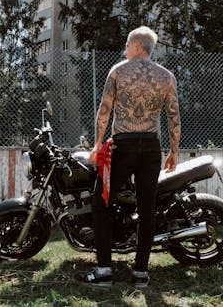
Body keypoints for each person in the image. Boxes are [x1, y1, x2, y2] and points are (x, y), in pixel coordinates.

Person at [76, 26, 181, 288]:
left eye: (127, 43)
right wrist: (174, 152)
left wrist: (98, 144)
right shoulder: (166, 77)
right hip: (151, 147)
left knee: (102, 204)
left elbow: (104, 111)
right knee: (147, 210)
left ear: (136, 46)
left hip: (122, 146)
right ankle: (140, 274)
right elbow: (173, 118)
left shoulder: (118, 71)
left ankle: (103, 272)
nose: (124, 48)